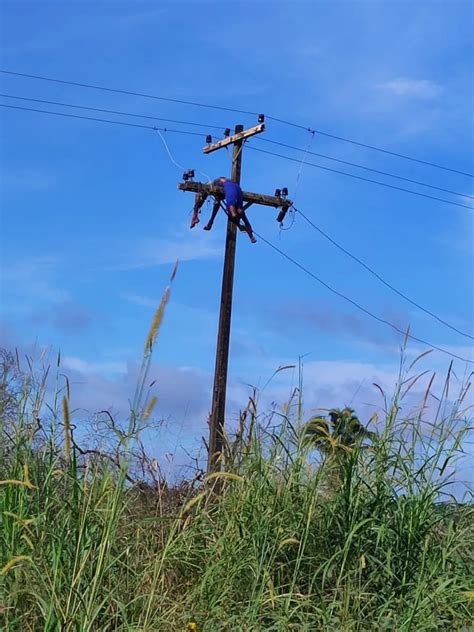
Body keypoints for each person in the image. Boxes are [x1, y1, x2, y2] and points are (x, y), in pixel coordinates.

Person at [190, 177, 257, 244]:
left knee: (217, 200)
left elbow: (247, 224)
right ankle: (195, 216)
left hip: (232, 187)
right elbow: (234, 214)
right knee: (202, 193)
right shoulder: (232, 203)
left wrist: (251, 237)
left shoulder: (239, 210)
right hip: (221, 182)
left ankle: (206, 221)